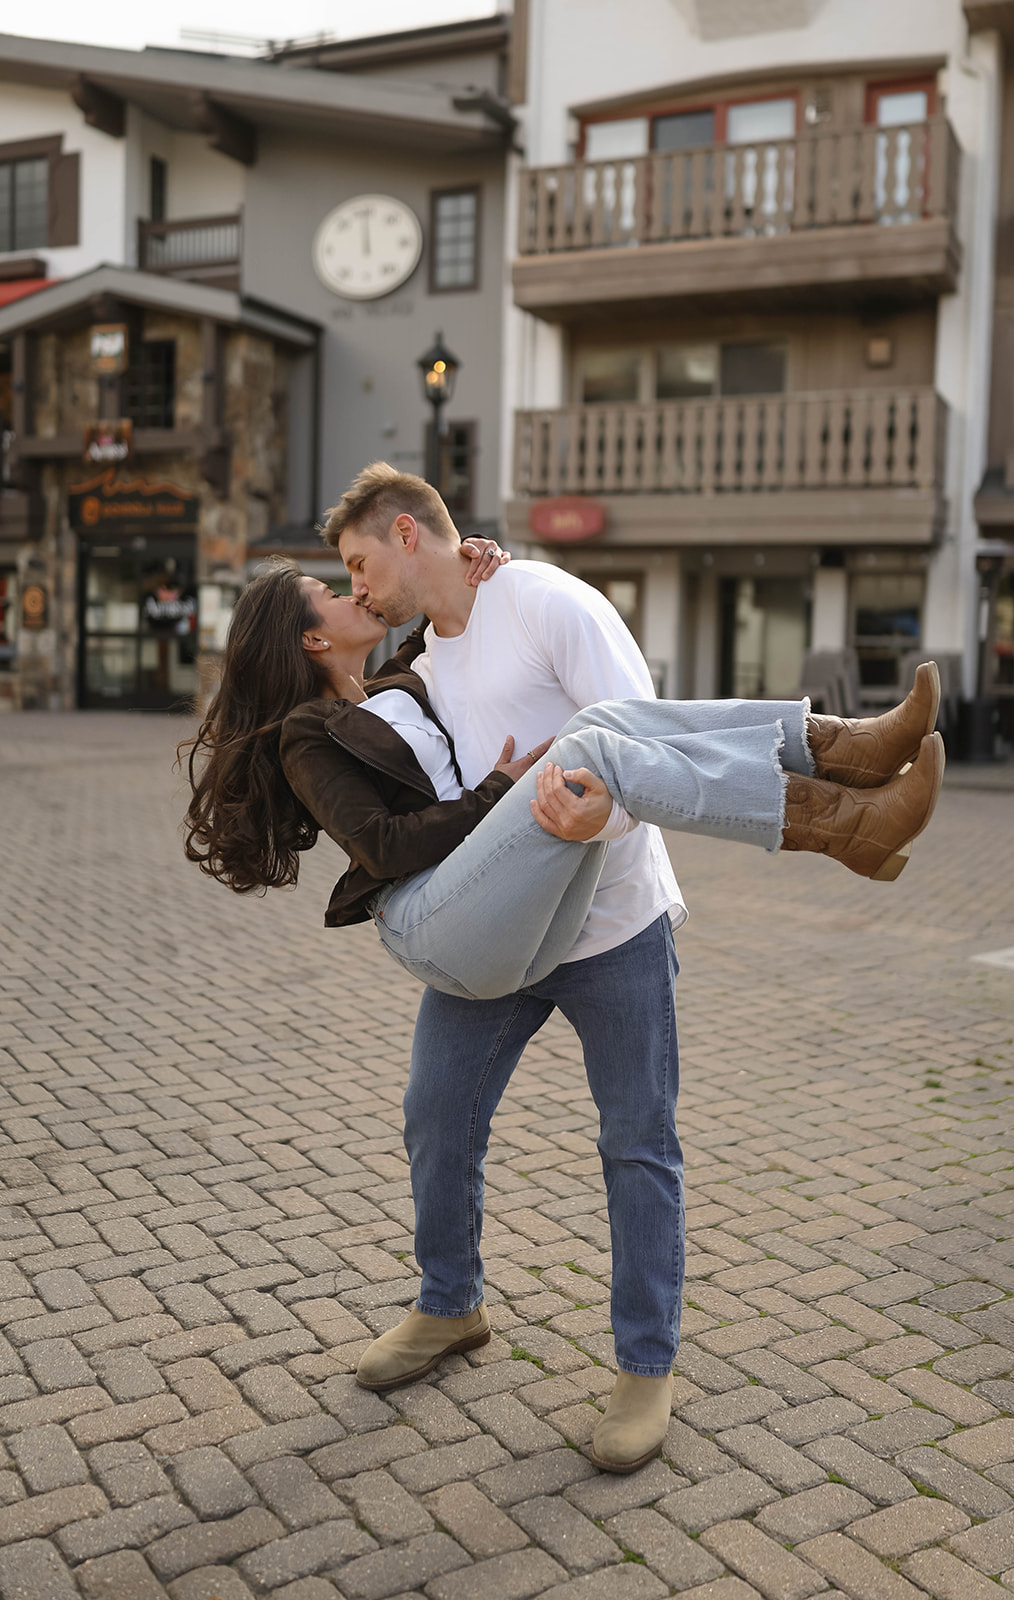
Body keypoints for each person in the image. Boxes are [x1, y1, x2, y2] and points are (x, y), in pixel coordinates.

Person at [184, 470, 944, 1473]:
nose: (355, 589)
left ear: (408, 534)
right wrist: (510, 776)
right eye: (340, 586)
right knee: (436, 1114)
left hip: (609, 920)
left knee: (638, 1140)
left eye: (358, 567)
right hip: (486, 921)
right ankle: (834, 782)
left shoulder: (532, 603)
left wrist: (484, 572)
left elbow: (644, 731)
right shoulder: (383, 679)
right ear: (314, 638)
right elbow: (390, 820)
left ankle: (643, 1365)